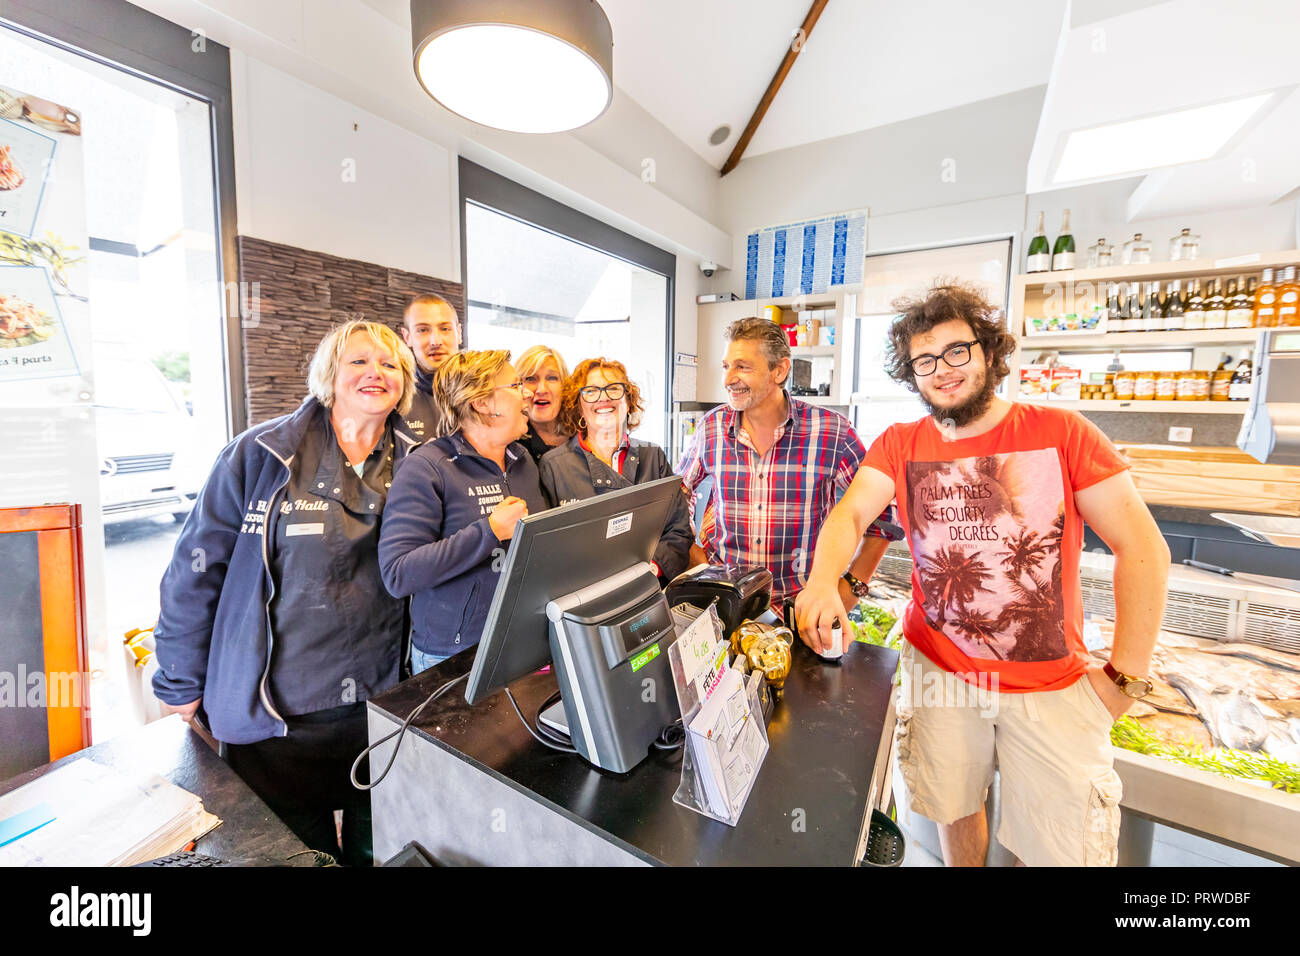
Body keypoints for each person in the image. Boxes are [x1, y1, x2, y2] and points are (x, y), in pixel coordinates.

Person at [795, 281, 1171, 867]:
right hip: (938, 670)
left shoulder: (1062, 433)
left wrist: (1126, 677)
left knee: (1053, 844)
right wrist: (821, 583)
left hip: (1051, 683)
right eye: (924, 360)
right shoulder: (900, 443)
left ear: (990, 353)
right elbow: (851, 512)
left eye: (956, 351)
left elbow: (1143, 548)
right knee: (951, 805)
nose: (941, 370)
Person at [151, 320, 420, 866]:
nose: (376, 373)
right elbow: (194, 571)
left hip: (383, 703)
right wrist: (178, 681)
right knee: (294, 853)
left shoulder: (421, 463)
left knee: (385, 847)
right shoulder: (260, 455)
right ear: (330, 375)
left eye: (390, 364)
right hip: (278, 715)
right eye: (359, 361)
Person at [677, 316, 896, 607]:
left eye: (742, 367)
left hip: (802, 607)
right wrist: (691, 544)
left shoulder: (832, 432)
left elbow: (883, 516)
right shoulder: (711, 427)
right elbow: (677, 492)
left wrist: (853, 586)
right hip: (724, 600)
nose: (728, 379)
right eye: (726, 366)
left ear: (779, 370)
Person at [379, 350, 547, 674]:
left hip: (523, 642)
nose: (527, 393)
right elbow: (399, 573)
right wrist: (491, 531)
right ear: (483, 402)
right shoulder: (427, 467)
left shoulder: (523, 460)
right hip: (454, 657)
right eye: (515, 385)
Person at [538, 357, 692, 583]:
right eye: (591, 391)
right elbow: (547, 548)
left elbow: (678, 530)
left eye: (614, 389)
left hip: (647, 587)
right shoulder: (554, 466)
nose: (604, 398)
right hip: (583, 594)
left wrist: (650, 569)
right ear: (578, 407)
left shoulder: (653, 457)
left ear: (628, 402)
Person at [399, 293, 461, 440]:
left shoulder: (484, 391)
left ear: (459, 333)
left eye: (445, 329)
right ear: (407, 337)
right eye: (423, 330)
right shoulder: (395, 398)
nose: (435, 341)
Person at [517, 344, 572, 465]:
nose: (541, 390)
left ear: (565, 386)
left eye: (552, 378)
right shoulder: (510, 444)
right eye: (530, 379)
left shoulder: (585, 436)